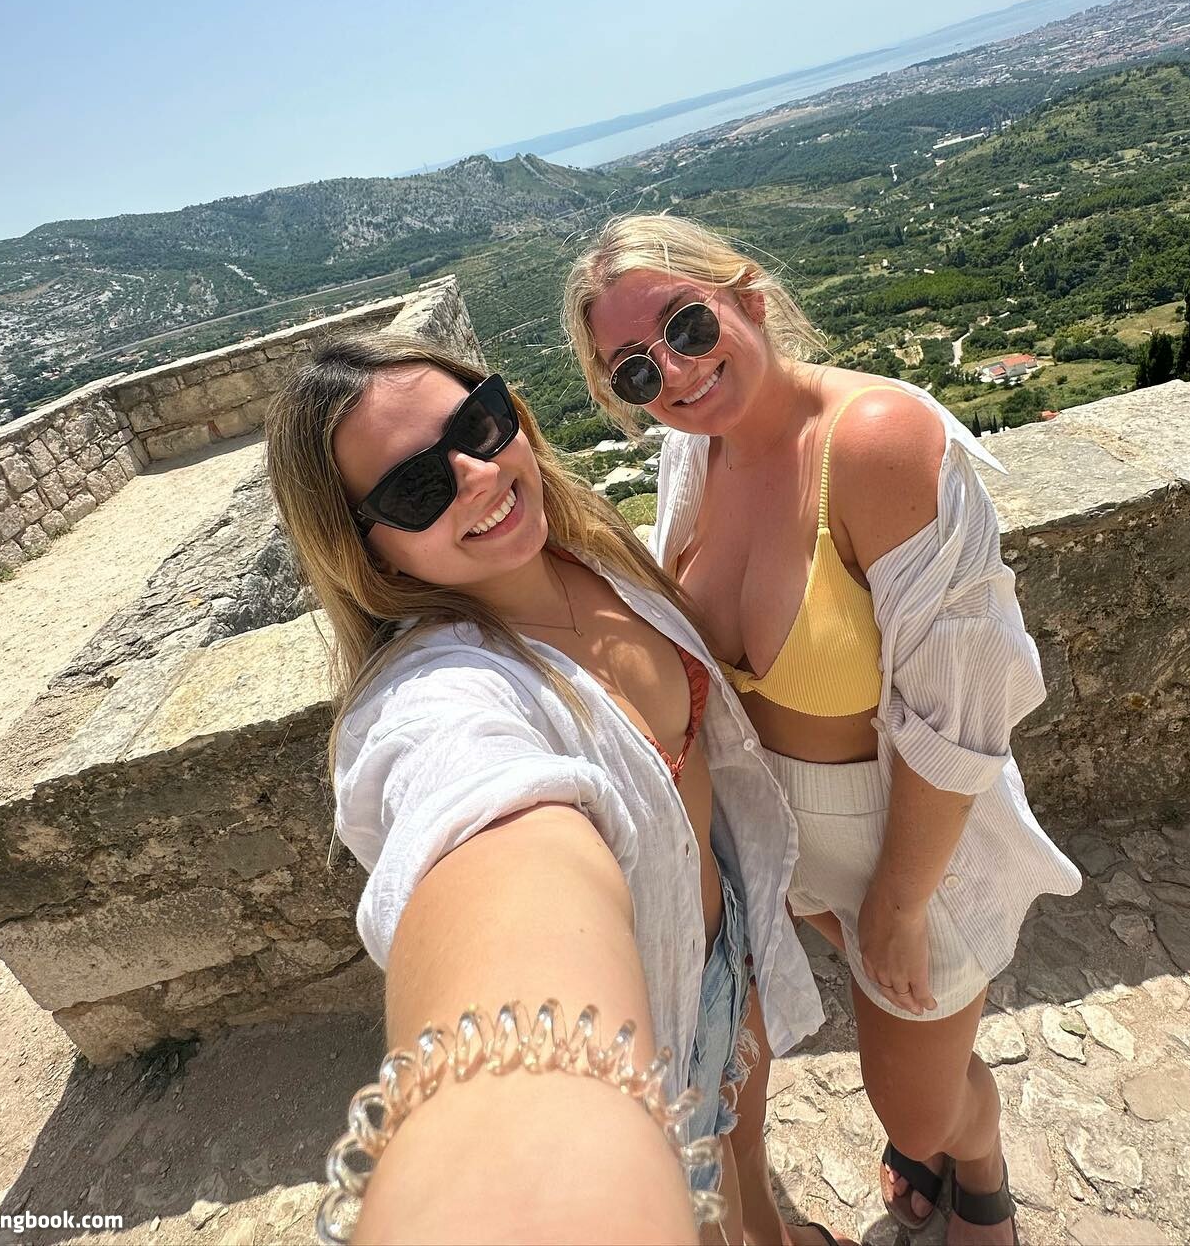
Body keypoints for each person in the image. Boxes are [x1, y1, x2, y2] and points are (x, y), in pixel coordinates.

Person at [564, 215, 1082, 1246]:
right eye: (636, 369)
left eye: (686, 324)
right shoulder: (692, 456)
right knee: (902, 1070)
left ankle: (974, 1156)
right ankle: (935, 1131)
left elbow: (964, 707)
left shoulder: (877, 443)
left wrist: (899, 899)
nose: (674, 370)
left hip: (911, 843)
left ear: (748, 297)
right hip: (783, 849)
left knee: (917, 1109)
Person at [263, 333, 825, 1245]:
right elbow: (483, 826)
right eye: (416, 489)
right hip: (649, 1004)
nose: (477, 474)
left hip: (724, 940)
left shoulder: (587, 543)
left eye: (478, 425)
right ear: (370, 553)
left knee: (741, 1128)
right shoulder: (440, 695)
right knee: (699, 1191)